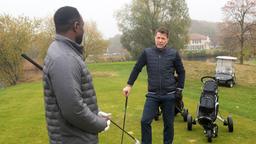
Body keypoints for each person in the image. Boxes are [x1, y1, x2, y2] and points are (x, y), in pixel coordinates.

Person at [43, 6, 110, 144]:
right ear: (76, 26)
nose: (84, 30)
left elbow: (73, 97)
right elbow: (73, 110)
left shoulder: (62, 51)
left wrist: (94, 112)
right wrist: (100, 124)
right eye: (83, 26)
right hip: (74, 139)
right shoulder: (64, 57)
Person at [122, 27, 185, 144]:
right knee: (145, 121)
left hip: (169, 95)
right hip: (153, 95)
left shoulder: (173, 54)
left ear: (167, 40)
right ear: (155, 38)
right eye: (158, 38)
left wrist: (179, 89)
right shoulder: (147, 53)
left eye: (163, 38)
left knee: (168, 125)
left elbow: (181, 72)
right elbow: (137, 68)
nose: (160, 40)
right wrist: (129, 85)